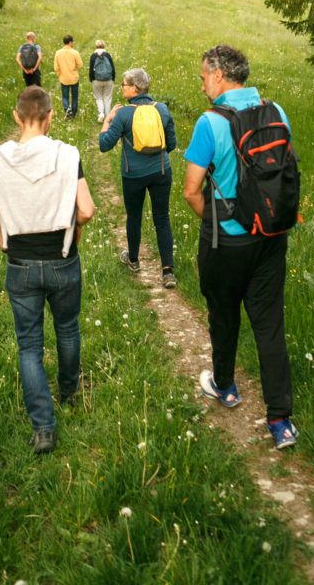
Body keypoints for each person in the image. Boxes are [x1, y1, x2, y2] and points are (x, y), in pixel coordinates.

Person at [182, 44, 297, 449]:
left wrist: (219, 223)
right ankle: (281, 421)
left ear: (218, 76)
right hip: (271, 239)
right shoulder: (276, 111)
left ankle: (226, 386)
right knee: (269, 326)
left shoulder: (209, 122)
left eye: (202, 78)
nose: (201, 87)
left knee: (224, 316)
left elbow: (191, 191)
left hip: (227, 242)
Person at [0, 86, 95, 454]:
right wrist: (69, 225)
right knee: (67, 327)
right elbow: (87, 210)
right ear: (50, 117)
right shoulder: (68, 154)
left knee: (29, 344)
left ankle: (43, 428)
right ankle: (69, 390)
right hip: (62, 258)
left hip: (21, 262)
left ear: (17, 117)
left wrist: (5, 244)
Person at [99, 67, 178, 288]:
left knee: (134, 217)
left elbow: (104, 145)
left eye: (124, 84)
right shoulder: (161, 109)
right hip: (161, 171)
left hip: (133, 175)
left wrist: (108, 120)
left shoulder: (123, 113)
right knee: (161, 218)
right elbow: (171, 144)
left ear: (134, 88)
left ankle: (133, 260)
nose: (122, 87)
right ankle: (167, 271)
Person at [53, 34, 83, 119]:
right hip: (74, 78)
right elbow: (80, 65)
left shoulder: (58, 53)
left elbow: (56, 67)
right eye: (72, 42)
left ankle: (67, 110)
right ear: (70, 42)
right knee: (74, 96)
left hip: (64, 78)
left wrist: (60, 75)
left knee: (65, 96)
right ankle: (73, 113)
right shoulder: (75, 52)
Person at [88, 39, 116, 122]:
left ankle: (101, 113)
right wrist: (113, 78)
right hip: (108, 79)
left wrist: (92, 79)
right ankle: (107, 117)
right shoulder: (108, 55)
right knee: (107, 98)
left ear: (96, 46)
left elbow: (90, 69)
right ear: (104, 46)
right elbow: (112, 67)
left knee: (99, 98)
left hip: (97, 80)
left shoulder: (93, 56)